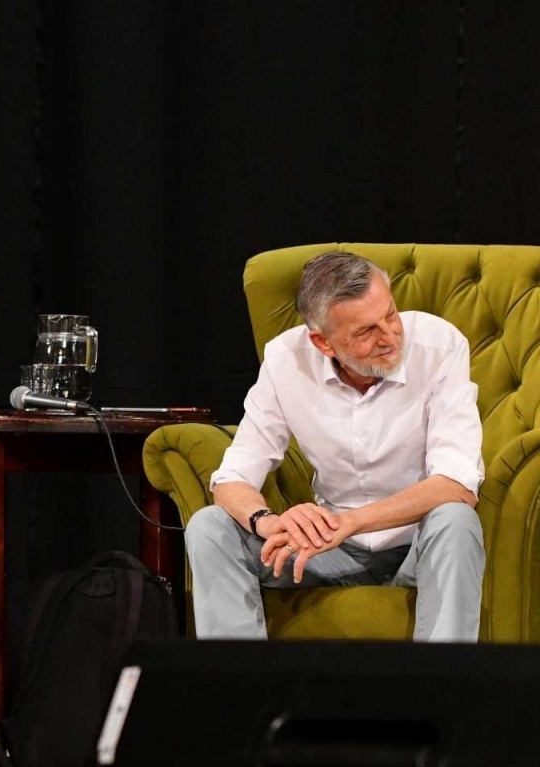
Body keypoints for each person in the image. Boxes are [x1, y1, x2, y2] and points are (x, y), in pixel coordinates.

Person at [185, 251, 485, 642]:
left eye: (390, 315)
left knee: (455, 521)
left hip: (416, 545)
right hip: (323, 553)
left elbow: (457, 485)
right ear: (322, 342)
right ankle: (243, 693)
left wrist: (350, 523)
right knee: (209, 526)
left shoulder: (440, 346)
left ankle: (439, 696)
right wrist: (269, 522)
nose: (389, 337)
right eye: (365, 332)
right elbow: (231, 479)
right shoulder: (285, 360)